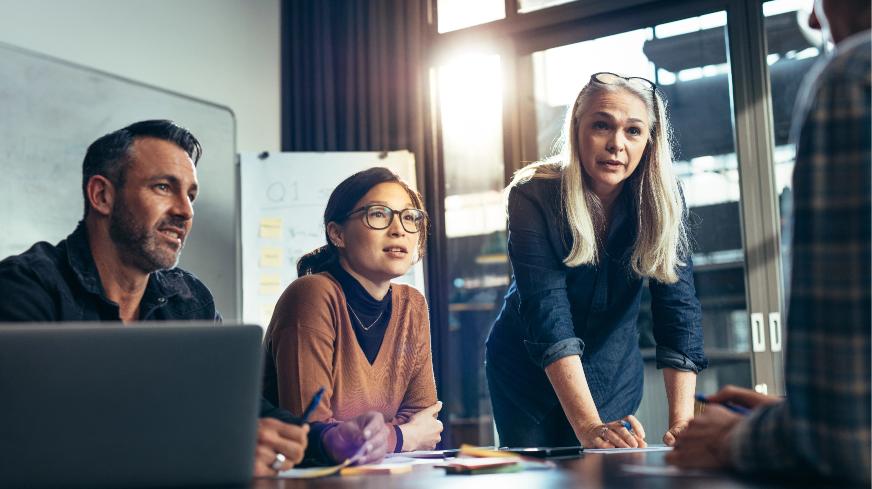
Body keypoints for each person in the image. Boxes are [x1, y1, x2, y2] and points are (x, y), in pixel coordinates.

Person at [0, 120, 389, 476]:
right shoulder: (25, 289)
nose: (185, 211)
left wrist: (327, 440)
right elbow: (26, 441)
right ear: (102, 195)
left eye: (191, 194)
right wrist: (218, 451)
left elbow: (246, 412)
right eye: (163, 187)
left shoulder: (189, 300)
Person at [666, 1, 872, 482]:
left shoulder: (854, 75)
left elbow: (852, 442)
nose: (816, 22)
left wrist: (731, 436)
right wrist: (792, 415)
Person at [486, 73, 708, 449]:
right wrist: (587, 425)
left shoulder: (665, 200)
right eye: (601, 125)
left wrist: (684, 423)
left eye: (633, 131)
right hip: (525, 374)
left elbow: (678, 310)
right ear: (576, 129)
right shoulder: (533, 195)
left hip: (612, 373)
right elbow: (547, 312)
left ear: (648, 142)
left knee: (604, 477)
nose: (616, 144)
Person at [262, 167, 443, 453]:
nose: (399, 229)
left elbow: (423, 419)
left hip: (386, 476)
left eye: (409, 217)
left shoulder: (412, 305)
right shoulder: (311, 295)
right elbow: (309, 430)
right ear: (337, 234)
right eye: (379, 214)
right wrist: (402, 437)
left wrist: (394, 437)